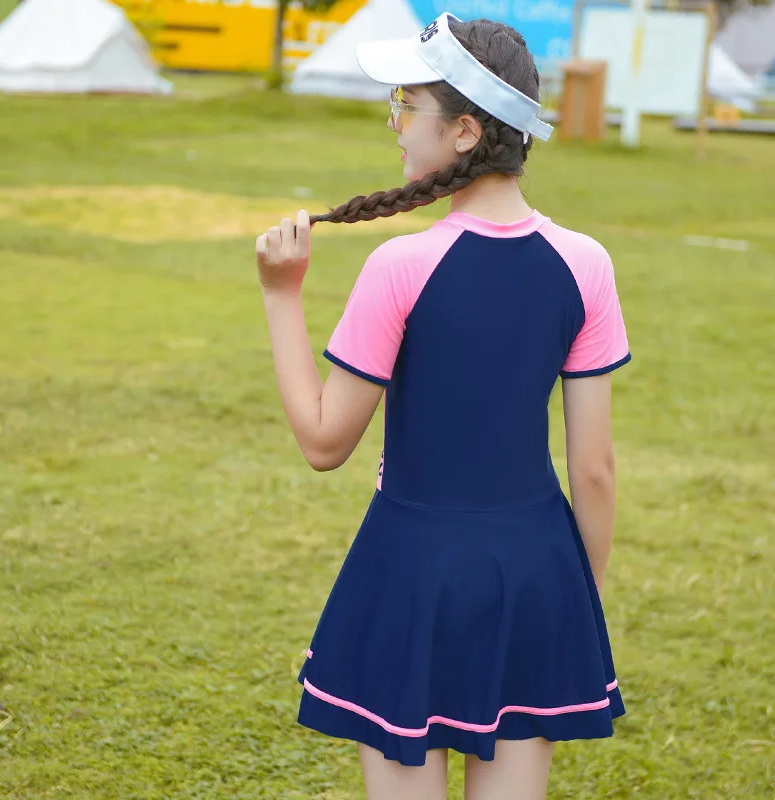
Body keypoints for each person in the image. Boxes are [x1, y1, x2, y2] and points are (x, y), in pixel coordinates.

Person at [255, 12, 630, 800]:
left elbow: (325, 442)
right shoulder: (586, 265)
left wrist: (282, 296)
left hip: (411, 570)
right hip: (537, 573)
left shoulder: (401, 266)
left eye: (405, 102)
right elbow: (593, 470)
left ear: (463, 130)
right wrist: (574, 598)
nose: (395, 122)